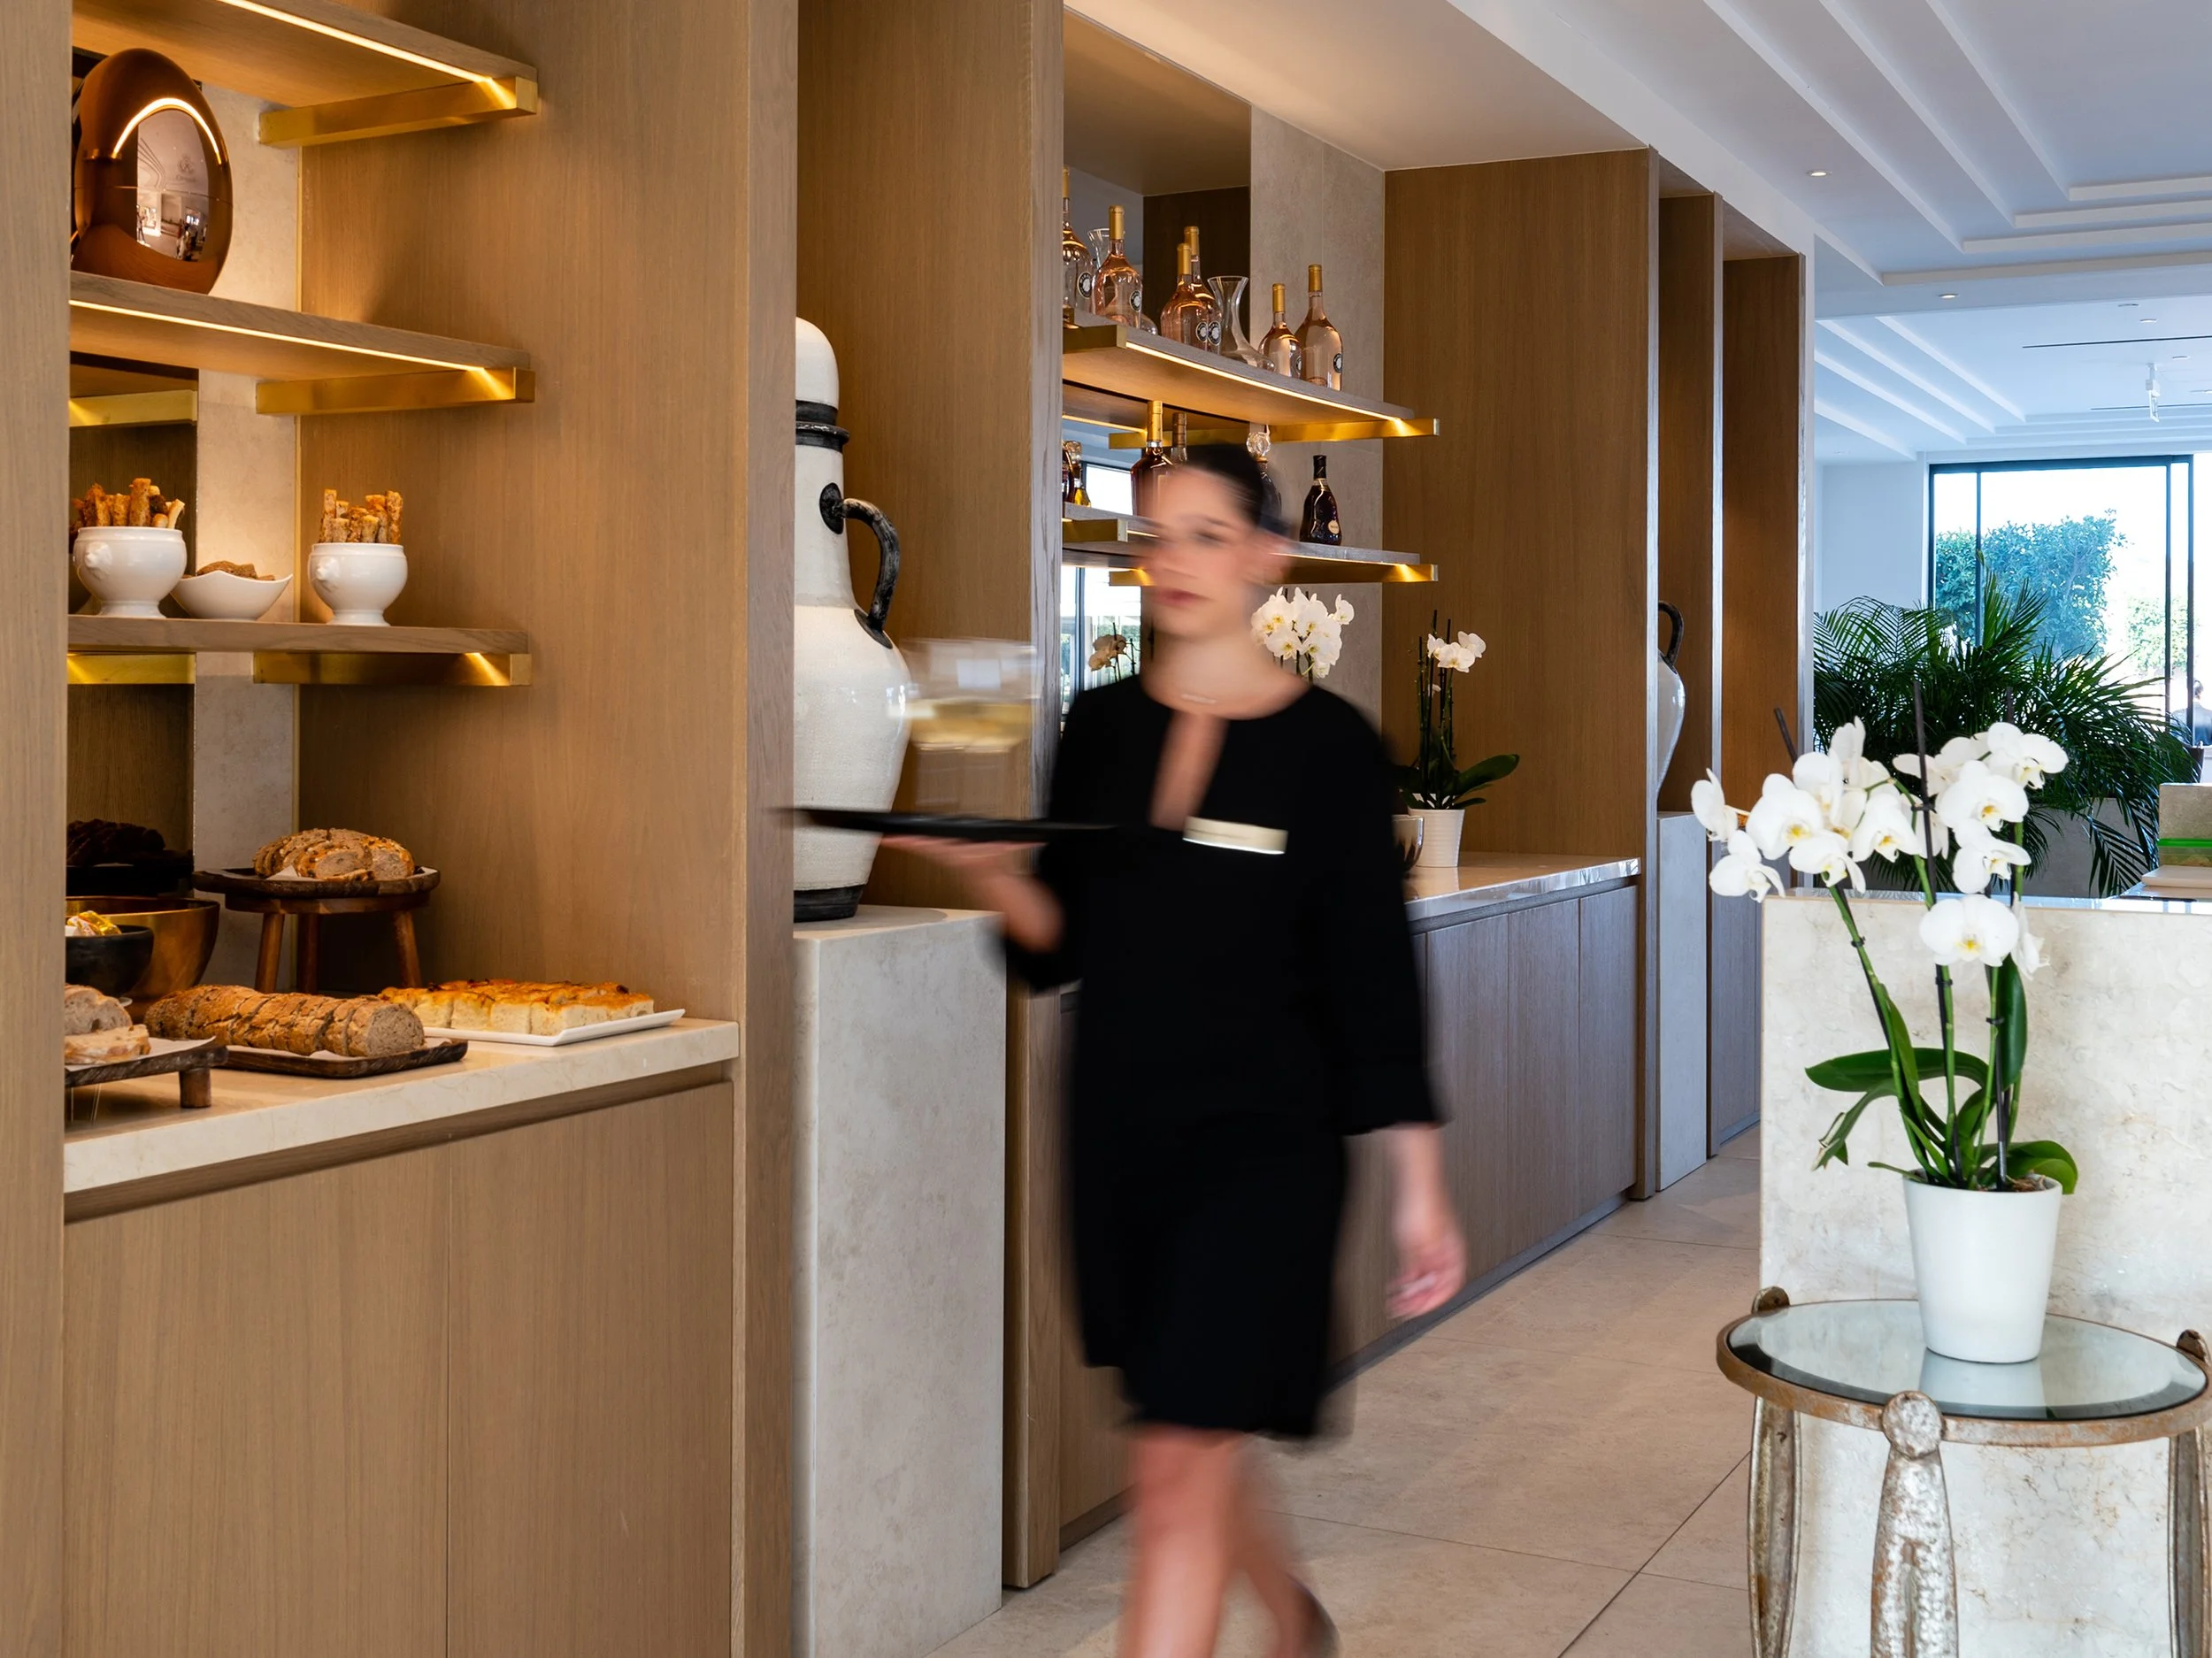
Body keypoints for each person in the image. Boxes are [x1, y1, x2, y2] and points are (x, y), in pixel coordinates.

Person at [896, 446, 1465, 1658]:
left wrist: (1421, 1193)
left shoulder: (1331, 752)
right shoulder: (1099, 726)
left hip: (1268, 1154)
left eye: (1208, 534)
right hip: (1121, 1145)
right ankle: (1294, 1619)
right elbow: (1063, 945)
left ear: (1266, 557)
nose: (1175, 561)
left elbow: (1378, 990)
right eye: (1156, 535)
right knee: (1189, 1425)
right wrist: (995, 875)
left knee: (1171, 1464)